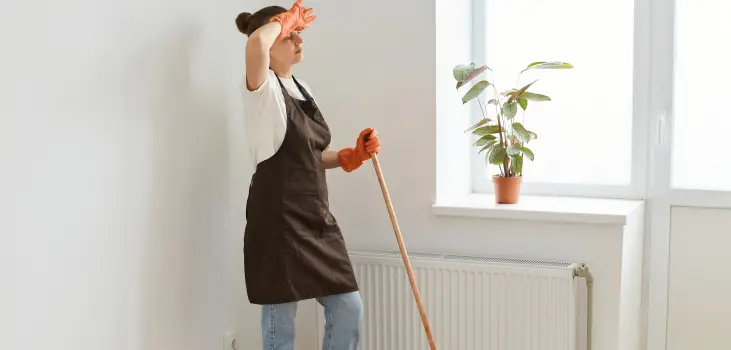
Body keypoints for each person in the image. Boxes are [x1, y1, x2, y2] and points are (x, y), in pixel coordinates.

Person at [235, 1, 380, 349]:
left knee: (348, 307)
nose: (298, 40)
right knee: (279, 325)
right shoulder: (260, 88)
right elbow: (255, 45)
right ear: (272, 41)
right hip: (277, 222)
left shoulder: (304, 90)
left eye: (298, 34)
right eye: (289, 35)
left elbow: (309, 157)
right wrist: (282, 22)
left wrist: (350, 156)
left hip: (315, 218)